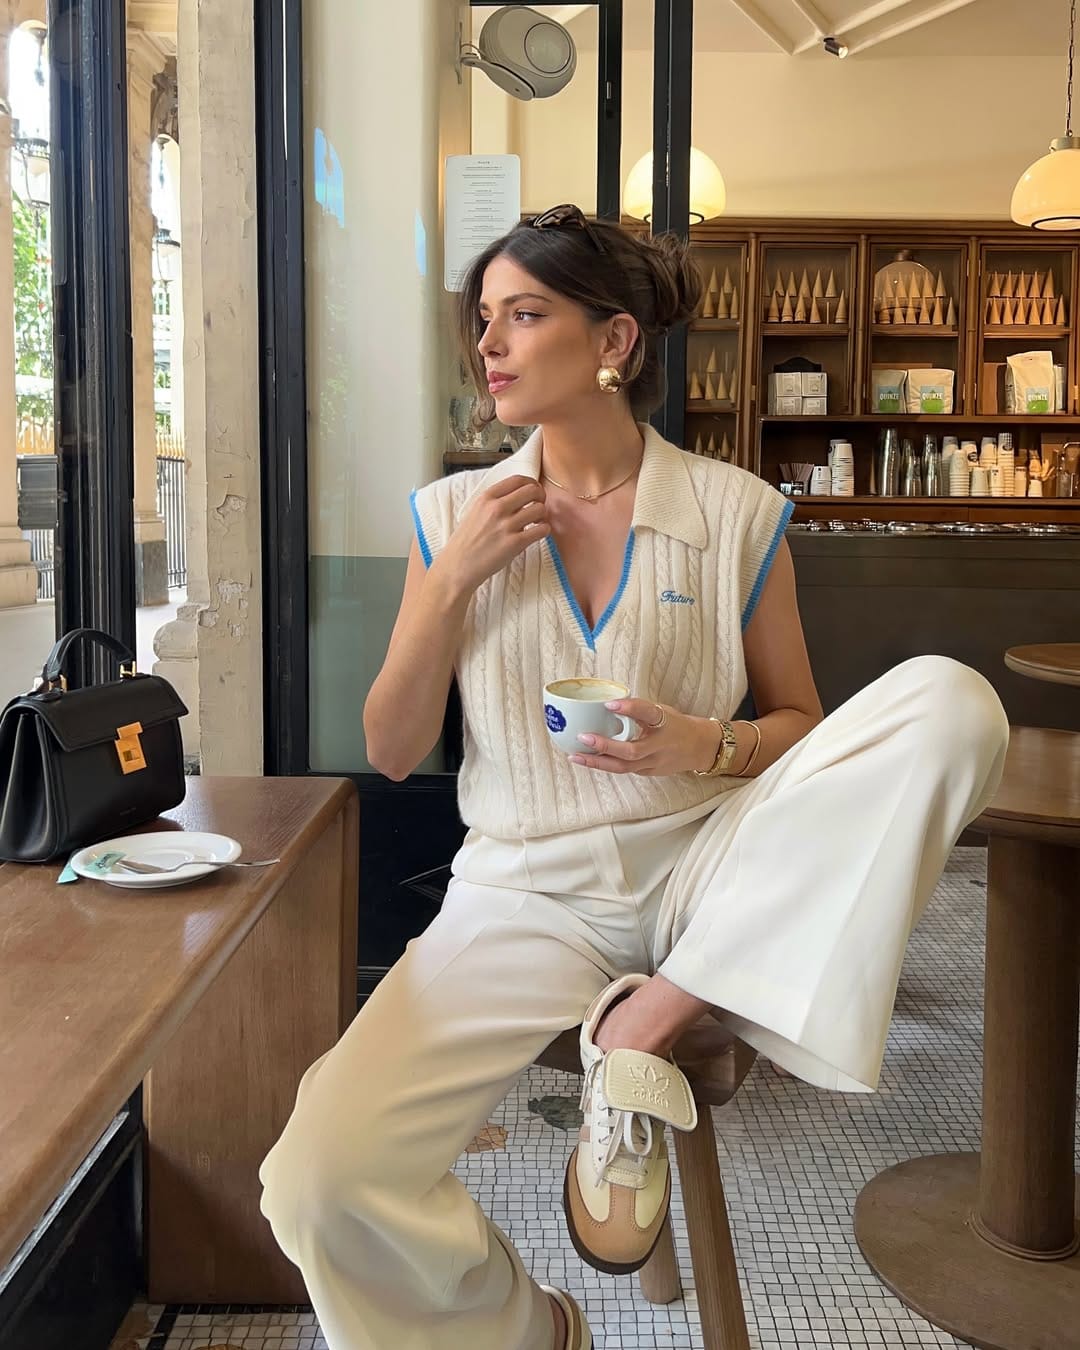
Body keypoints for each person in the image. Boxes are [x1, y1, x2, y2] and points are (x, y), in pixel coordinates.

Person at [258, 204, 1009, 1350]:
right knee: (317, 1180)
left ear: (614, 343)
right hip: (523, 889)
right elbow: (395, 748)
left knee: (954, 700)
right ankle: (526, 1333)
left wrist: (699, 744)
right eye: (483, 322)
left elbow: (798, 719)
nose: (491, 346)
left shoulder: (734, 512)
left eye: (524, 315)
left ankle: (649, 1019)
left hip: (713, 858)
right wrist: (444, 586)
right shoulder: (452, 517)